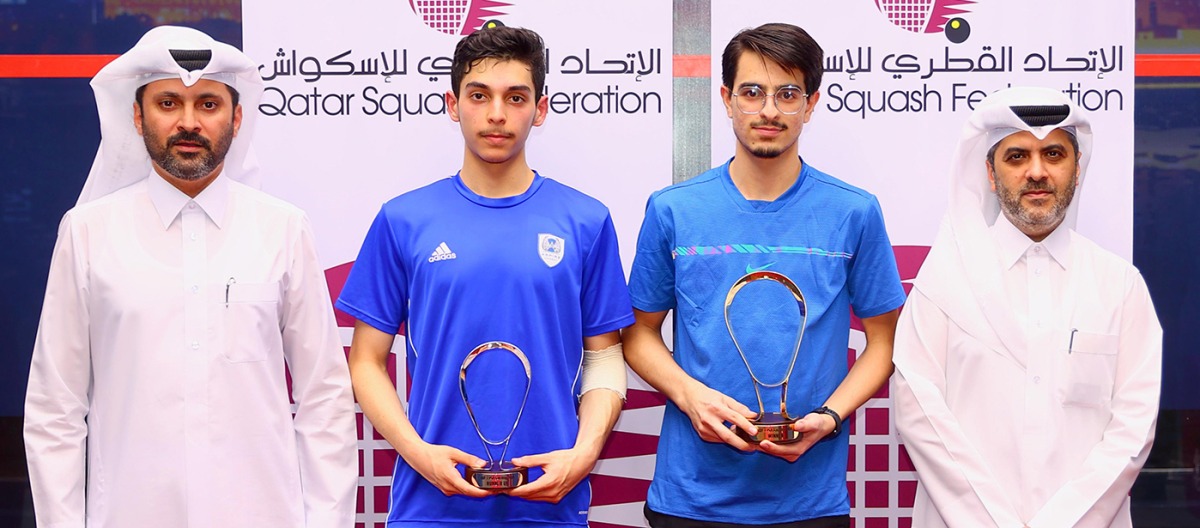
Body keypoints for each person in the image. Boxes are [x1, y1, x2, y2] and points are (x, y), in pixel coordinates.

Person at [23, 26, 358, 527]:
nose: (188, 122)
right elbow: (56, 413)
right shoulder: (88, 232)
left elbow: (324, 398)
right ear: (137, 116)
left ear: (236, 117)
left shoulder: (283, 228)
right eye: (167, 104)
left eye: (207, 104)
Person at [336, 26, 633, 526]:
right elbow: (366, 362)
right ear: (453, 105)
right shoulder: (403, 219)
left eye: (515, 97)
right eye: (480, 96)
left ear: (539, 110)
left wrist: (581, 456)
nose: (497, 114)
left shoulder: (586, 220)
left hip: (550, 503)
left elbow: (604, 359)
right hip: (431, 504)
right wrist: (419, 453)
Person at [624, 23, 905, 527]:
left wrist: (830, 417)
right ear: (727, 99)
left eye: (787, 94)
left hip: (809, 502)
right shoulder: (673, 210)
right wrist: (692, 396)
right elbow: (639, 334)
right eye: (752, 93)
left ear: (811, 103)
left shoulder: (854, 212)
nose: (769, 110)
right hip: (690, 500)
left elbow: (883, 344)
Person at [892, 86, 1162, 528]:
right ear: (990, 173)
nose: (1037, 172)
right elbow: (920, 417)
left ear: (1077, 168)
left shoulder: (1119, 285)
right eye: (1017, 156)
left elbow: (1133, 428)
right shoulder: (941, 282)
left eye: (1054, 154)